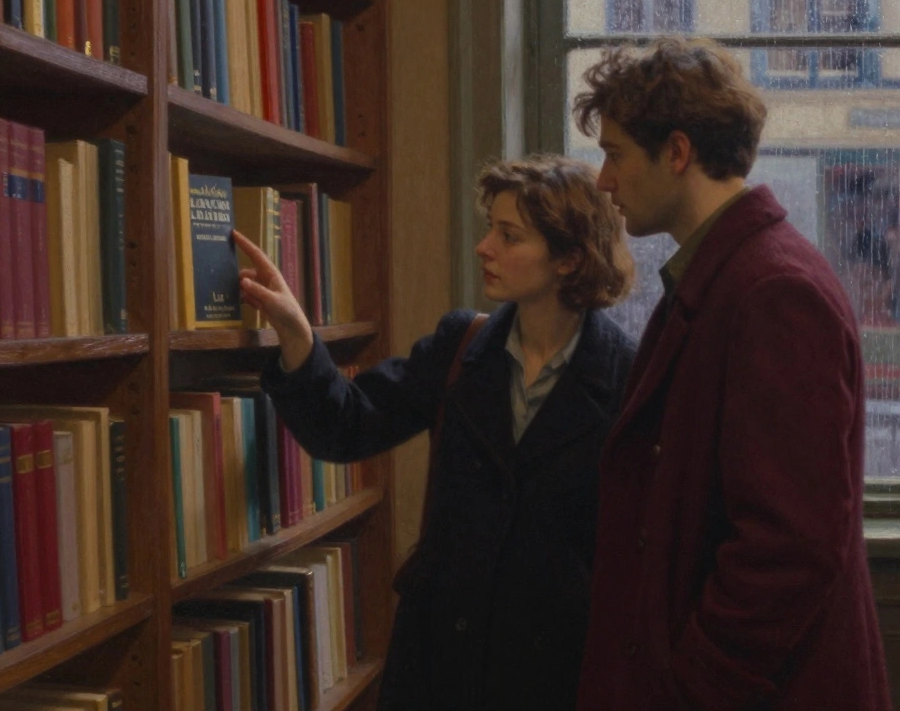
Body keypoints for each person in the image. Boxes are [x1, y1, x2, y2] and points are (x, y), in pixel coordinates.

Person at [234, 154, 637, 710]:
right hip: (438, 666)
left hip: (556, 677)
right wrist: (297, 334)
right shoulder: (463, 346)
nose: (484, 247)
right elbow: (346, 427)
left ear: (569, 258)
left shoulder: (629, 379)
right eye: (489, 228)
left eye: (508, 235)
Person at [571, 37, 891, 710]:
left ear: (678, 153)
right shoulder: (729, 274)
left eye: (616, 154)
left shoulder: (772, 290)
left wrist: (698, 677)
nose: (603, 180)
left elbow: (790, 543)